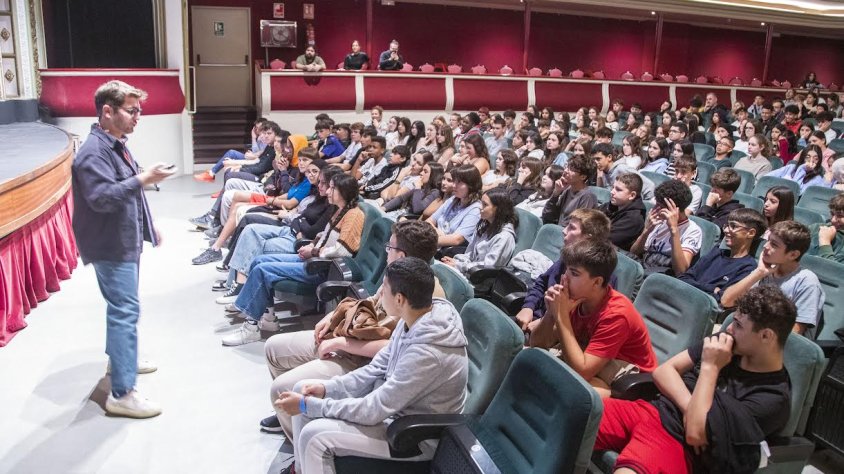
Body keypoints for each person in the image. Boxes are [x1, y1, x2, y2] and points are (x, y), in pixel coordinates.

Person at [277, 258, 467, 473]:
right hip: (394, 411)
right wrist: (327, 389)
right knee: (303, 388)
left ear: (399, 299)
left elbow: (374, 409)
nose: (379, 294)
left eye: (383, 288)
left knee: (315, 436)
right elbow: (375, 368)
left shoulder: (428, 353)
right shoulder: (413, 319)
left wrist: (306, 406)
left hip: (412, 437)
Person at [261, 220, 442, 437]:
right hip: (350, 336)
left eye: (389, 248)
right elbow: (370, 302)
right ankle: (290, 416)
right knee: (273, 349)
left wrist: (340, 343)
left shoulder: (425, 293)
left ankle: (297, 433)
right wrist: (332, 317)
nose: (386, 253)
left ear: (401, 254)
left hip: (361, 357)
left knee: (281, 388)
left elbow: (392, 348)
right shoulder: (397, 273)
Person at [594, 284, 795, 473]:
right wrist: (690, 407)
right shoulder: (727, 343)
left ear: (766, 336)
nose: (730, 330)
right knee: (572, 412)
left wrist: (710, 367)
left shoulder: (772, 399)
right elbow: (664, 371)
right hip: (651, 409)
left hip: (677, 443)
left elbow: (695, 433)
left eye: (739, 325)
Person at [72, 80, 175, 418]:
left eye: (139, 111)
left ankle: (121, 362)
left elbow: (130, 192)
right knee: (124, 312)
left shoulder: (115, 144)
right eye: (132, 111)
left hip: (124, 239)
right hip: (111, 245)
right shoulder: (93, 152)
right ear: (107, 111)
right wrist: (145, 178)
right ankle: (122, 392)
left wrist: (148, 226)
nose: (137, 117)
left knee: (121, 309)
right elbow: (103, 198)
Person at [221, 174, 366, 346]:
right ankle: (268, 318)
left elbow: (344, 250)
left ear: (344, 191)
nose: (327, 191)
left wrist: (314, 251)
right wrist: (312, 245)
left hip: (321, 268)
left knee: (262, 270)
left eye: (332, 188)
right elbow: (325, 237)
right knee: (259, 261)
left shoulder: (353, 215)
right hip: (314, 259)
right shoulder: (339, 210)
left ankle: (251, 328)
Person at [528, 239, 658, 398]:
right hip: (591, 362)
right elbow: (537, 343)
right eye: (566, 270)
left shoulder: (617, 314)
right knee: (527, 359)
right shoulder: (576, 298)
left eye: (574, 273)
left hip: (627, 381)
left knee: (563, 391)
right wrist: (551, 312)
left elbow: (582, 372)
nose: (565, 278)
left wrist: (561, 317)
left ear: (597, 282)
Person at [721, 221, 825, 338]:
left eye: (774, 244)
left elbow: (794, 334)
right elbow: (726, 301)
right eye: (768, 240)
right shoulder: (766, 270)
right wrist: (759, 272)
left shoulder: (807, 282)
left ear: (793, 255)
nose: (765, 246)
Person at [678, 208, 766, 303]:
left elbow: (721, 299)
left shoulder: (748, 268)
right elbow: (683, 278)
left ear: (751, 233)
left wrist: (697, 285)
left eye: (733, 226)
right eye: (726, 225)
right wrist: (712, 288)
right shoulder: (716, 252)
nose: (726, 230)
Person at [630, 180, 703, 275]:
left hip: (661, 274)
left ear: (674, 209)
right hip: (644, 267)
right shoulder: (659, 221)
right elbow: (634, 252)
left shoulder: (693, 230)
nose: (654, 209)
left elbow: (681, 270)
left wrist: (674, 230)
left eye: (659, 206)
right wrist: (647, 230)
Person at [441, 188, 518, 274]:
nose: (480, 207)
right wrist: (456, 261)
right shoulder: (484, 226)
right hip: (466, 271)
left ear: (498, 209)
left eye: (485, 204)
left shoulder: (504, 237)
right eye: (481, 203)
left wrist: (459, 266)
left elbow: (489, 267)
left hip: (478, 280)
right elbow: (470, 254)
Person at [426, 165, 483, 255]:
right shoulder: (453, 199)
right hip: (433, 243)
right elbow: (429, 221)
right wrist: (439, 233)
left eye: (459, 182)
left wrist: (426, 241)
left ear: (471, 185)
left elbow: (456, 239)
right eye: (454, 181)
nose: (454, 185)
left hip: (444, 252)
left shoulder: (476, 209)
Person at [194, 118, 269, 182]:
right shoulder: (259, 137)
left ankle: (212, 174)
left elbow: (262, 156)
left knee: (229, 162)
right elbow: (255, 151)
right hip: (252, 157)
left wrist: (253, 155)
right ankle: (211, 173)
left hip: (257, 162)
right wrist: (253, 138)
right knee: (231, 153)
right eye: (256, 127)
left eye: (259, 127)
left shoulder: (267, 138)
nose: (257, 129)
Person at [542, 154, 598, 227]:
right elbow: (548, 216)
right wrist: (556, 193)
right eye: (567, 167)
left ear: (583, 177)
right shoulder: (568, 190)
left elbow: (578, 226)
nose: (565, 171)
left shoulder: (587, 197)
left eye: (571, 169)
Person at [599, 173, 646, 251]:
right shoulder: (612, 205)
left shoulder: (634, 219)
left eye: (618, 189)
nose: (612, 192)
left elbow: (604, 240)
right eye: (613, 187)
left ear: (632, 195)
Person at [695, 168, 744, 232]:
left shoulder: (731, 214)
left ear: (729, 194)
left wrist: (708, 206)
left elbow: (707, 231)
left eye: (716, 189)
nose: (711, 192)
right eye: (712, 187)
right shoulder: (713, 204)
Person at [808, 192, 844, 263]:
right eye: (832, 214)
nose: (833, 220)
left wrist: (825, 242)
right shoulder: (817, 227)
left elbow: (834, 271)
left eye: (840, 216)